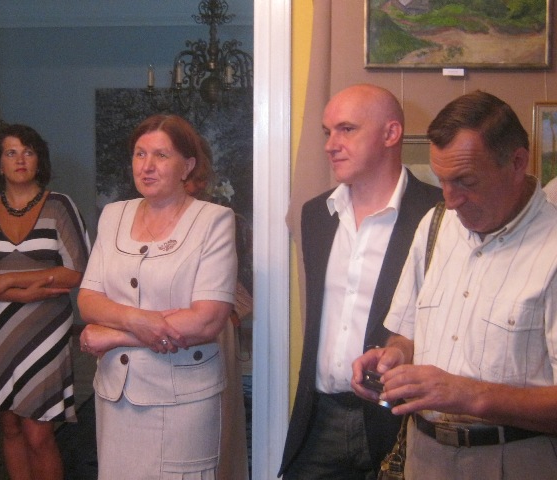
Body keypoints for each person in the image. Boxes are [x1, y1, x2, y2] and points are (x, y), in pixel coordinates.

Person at [352, 90, 557, 479]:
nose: (451, 199)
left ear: (517, 162)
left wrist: (471, 395)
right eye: (441, 180)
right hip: (423, 456)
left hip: (514, 460)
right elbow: (406, 335)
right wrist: (394, 357)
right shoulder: (434, 225)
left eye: (465, 181)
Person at [279, 84, 442, 479]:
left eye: (347, 129)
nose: (330, 145)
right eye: (327, 131)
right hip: (319, 419)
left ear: (391, 133)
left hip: (399, 421)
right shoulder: (316, 214)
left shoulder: (439, 215)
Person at [77, 114, 237, 479]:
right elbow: (88, 299)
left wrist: (114, 334)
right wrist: (138, 319)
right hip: (116, 397)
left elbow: (207, 320)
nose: (147, 166)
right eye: (140, 154)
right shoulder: (113, 216)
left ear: (188, 165)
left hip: (183, 402)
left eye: (161, 155)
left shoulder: (214, 221)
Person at [0, 123, 91, 480]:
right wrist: (23, 293)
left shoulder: (60, 206)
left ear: (39, 161)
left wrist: (6, 280)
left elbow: (76, 272)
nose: (20, 160)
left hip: (45, 333)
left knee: (38, 432)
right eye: (11, 153)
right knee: (11, 427)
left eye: (28, 152)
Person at [184, 141, 250, 480]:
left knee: (215, 425)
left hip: (215, 329)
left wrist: (231, 314)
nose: (193, 184)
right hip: (160, 333)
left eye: (198, 177)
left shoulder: (224, 220)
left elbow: (244, 276)